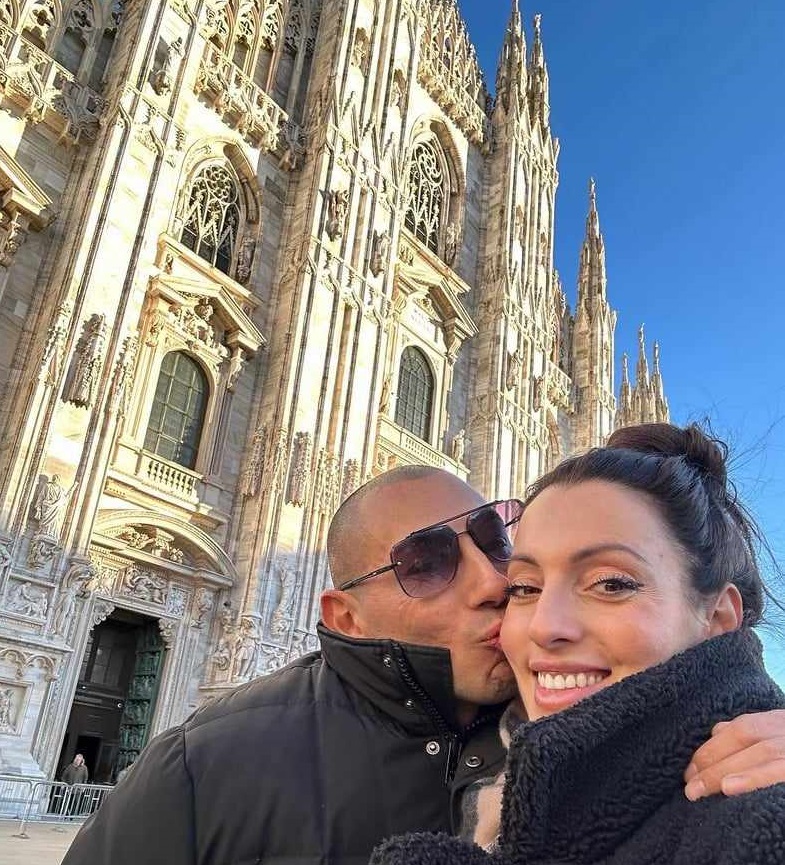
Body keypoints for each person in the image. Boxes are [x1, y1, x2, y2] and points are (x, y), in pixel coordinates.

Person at [63, 465, 785, 865]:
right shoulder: (205, 767)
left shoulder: (638, 742)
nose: (492, 582)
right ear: (345, 617)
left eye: (495, 543)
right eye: (426, 562)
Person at [373, 424, 785, 865]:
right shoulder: (484, 759)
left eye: (610, 584)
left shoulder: (750, 817)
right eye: (523, 588)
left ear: (718, 618)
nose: (544, 627)